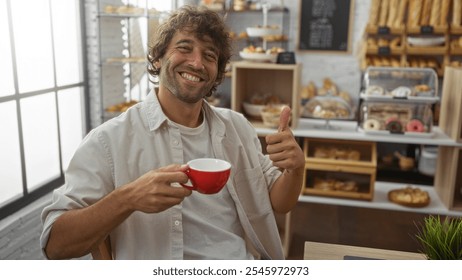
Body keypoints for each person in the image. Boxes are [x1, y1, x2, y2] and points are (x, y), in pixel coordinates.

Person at [40, 5, 305, 260]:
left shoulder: (237, 128)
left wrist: (296, 168)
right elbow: (54, 244)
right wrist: (128, 199)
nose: (197, 63)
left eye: (210, 56)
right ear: (158, 58)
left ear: (217, 74)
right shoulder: (108, 141)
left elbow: (280, 202)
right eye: (184, 48)